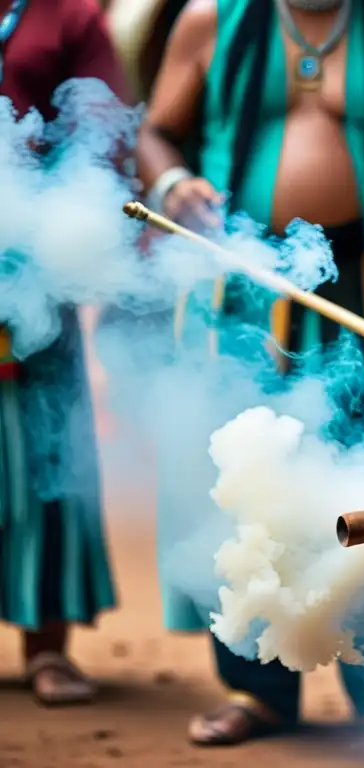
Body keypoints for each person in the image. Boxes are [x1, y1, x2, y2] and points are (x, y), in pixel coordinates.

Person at [135, 0, 364, 746]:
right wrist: (174, 184)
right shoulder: (208, 21)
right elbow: (156, 133)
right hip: (241, 290)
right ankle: (257, 691)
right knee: (241, 489)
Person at [0, 0, 128, 707]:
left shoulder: (71, 17)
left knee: (46, 458)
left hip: (37, 272)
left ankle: (47, 648)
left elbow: (99, 135)